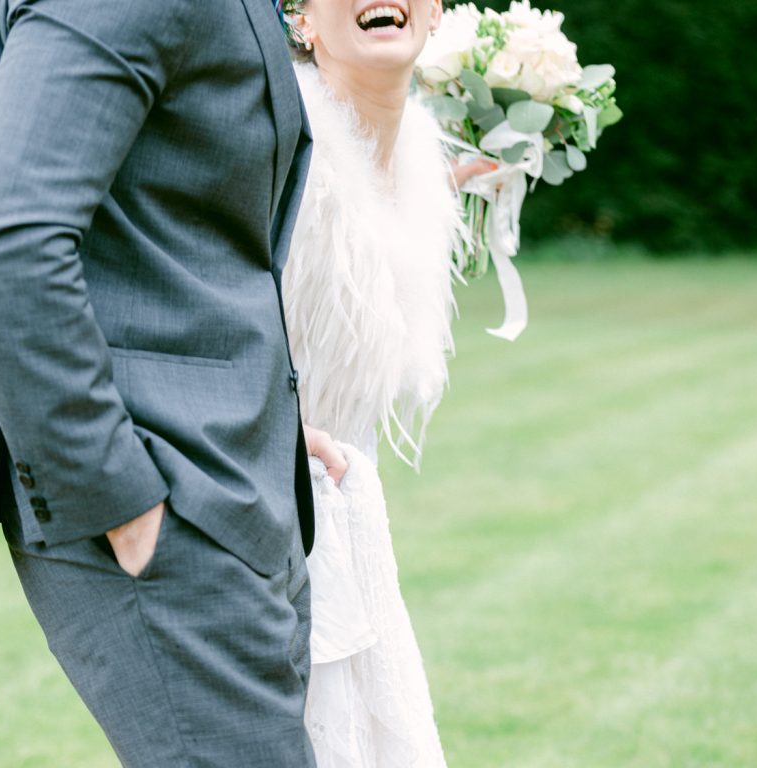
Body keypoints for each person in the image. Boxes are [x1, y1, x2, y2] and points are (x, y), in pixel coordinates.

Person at [0, 0, 318, 765]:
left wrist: (268, 417)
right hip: (165, 497)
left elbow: (182, 231)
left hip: (228, 481)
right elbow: (1, 245)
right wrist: (113, 490)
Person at [282, 1, 495, 764]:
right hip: (257, 496)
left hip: (349, 499)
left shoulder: (421, 162)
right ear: (300, 21)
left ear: (436, 14)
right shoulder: (274, 139)